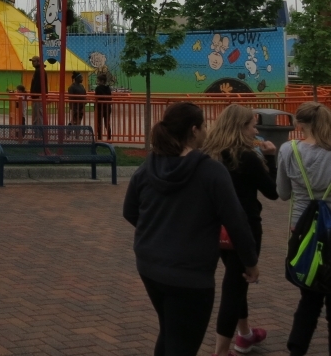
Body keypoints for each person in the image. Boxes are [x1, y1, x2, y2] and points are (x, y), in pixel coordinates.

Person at [123, 102, 259, 356]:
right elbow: (236, 221)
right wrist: (250, 262)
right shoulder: (210, 171)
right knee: (182, 343)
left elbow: (130, 210)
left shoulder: (150, 165)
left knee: (170, 332)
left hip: (150, 265)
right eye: (205, 126)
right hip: (190, 275)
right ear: (194, 130)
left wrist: (158, 233)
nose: (207, 131)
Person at [201, 105, 278, 356]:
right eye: (252, 125)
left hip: (217, 228)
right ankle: (221, 350)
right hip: (245, 228)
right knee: (235, 286)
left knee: (236, 279)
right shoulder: (245, 157)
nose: (255, 130)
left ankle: (244, 334)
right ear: (240, 127)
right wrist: (270, 157)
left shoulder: (210, 153)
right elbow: (273, 191)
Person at [278, 101, 331, 356]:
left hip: (301, 229)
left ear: (299, 124)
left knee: (309, 298)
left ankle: (296, 350)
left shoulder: (289, 150)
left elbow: (283, 193)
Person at [95, 71, 113, 140]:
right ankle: (109, 137)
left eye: (98, 81)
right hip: (107, 108)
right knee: (107, 123)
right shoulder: (108, 88)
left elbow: (97, 97)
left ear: (102, 81)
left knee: (99, 123)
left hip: (100, 108)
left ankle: (99, 137)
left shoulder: (98, 88)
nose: (98, 82)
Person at [28, 56, 45, 125]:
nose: (32, 63)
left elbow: (38, 85)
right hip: (36, 97)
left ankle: (39, 133)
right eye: (32, 61)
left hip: (37, 97)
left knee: (38, 116)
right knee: (37, 115)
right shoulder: (39, 71)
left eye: (34, 61)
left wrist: (35, 95)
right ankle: (38, 132)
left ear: (38, 62)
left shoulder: (39, 71)